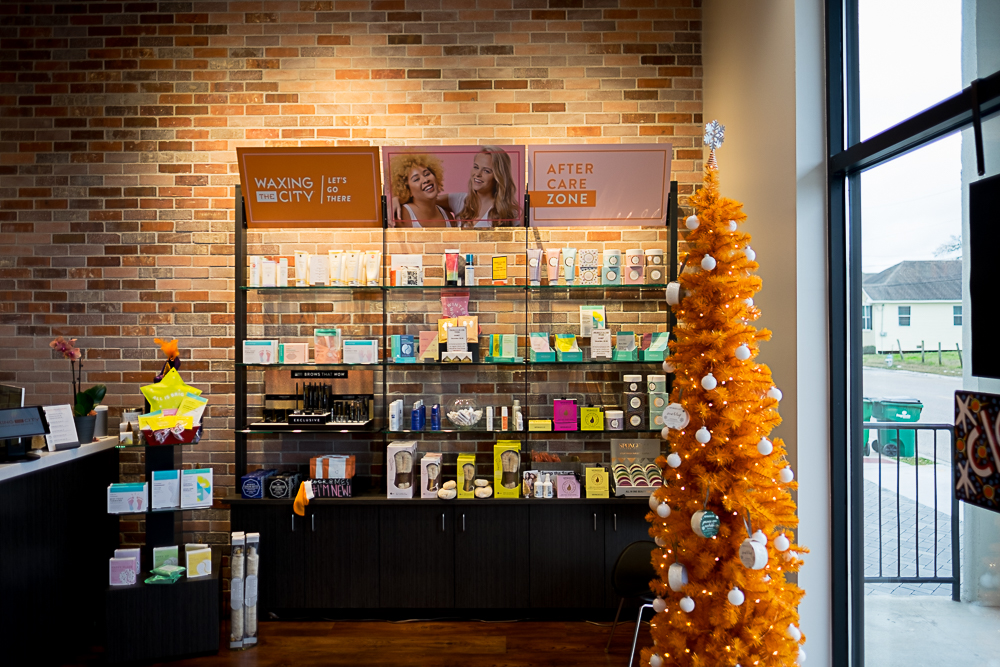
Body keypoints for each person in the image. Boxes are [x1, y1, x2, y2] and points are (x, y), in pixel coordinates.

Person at [446, 146, 521, 228]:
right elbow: (430, 201)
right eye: (476, 167)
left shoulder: (509, 214)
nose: (477, 174)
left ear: (498, 177)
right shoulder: (460, 200)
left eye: (486, 171)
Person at [389, 153, 453, 227]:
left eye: (427, 174)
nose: (425, 180)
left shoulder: (448, 216)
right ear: (408, 190)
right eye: (416, 179)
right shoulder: (402, 216)